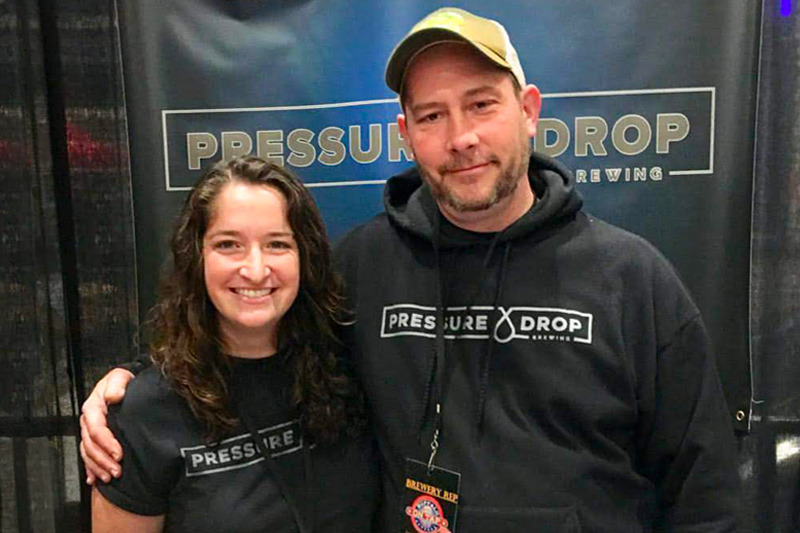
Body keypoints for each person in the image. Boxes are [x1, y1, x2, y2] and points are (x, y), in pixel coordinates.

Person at [82, 8, 740, 532]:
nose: (461, 137)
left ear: (529, 109)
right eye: (432, 116)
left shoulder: (634, 278)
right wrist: (133, 389)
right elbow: (256, 338)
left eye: (481, 104)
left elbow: (703, 491)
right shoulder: (366, 263)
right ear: (405, 133)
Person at [89, 156, 379, 532]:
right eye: (229, 245)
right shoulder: (146, 411)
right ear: (197, 257)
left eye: (277, 244)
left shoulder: (352, 367)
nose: (256, 270)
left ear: (305, 256)